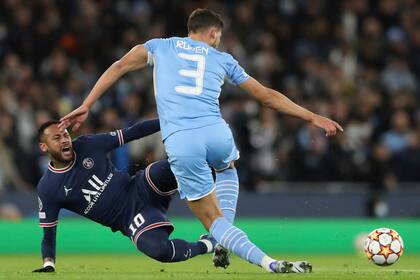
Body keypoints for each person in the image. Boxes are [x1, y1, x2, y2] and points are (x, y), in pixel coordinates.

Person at [60, 8, 343, 273]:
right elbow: (266, 97)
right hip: (216, 132)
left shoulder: (159, 46)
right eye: (218, 36)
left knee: (213, 221)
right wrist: (311, 116)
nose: (218, 41)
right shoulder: (222, 59)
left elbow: (119, 66)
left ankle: (268, 263)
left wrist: (87, 104)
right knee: (227, 167)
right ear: (212, 33)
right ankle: (223, 240)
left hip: (183, 143)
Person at [32, 119, 216, 273]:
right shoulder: (48, 188)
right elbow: (48, 234)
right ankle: (208, 244)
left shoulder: (87, 145)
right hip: (132, 219)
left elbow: (132, 132)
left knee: (161, 170)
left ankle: (216, 161)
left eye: (65, 135)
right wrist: (48, 263)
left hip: (140, 187)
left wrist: (169, 122)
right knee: (159, 250)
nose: (65, 140)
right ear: (43, 146)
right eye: (57, 138)